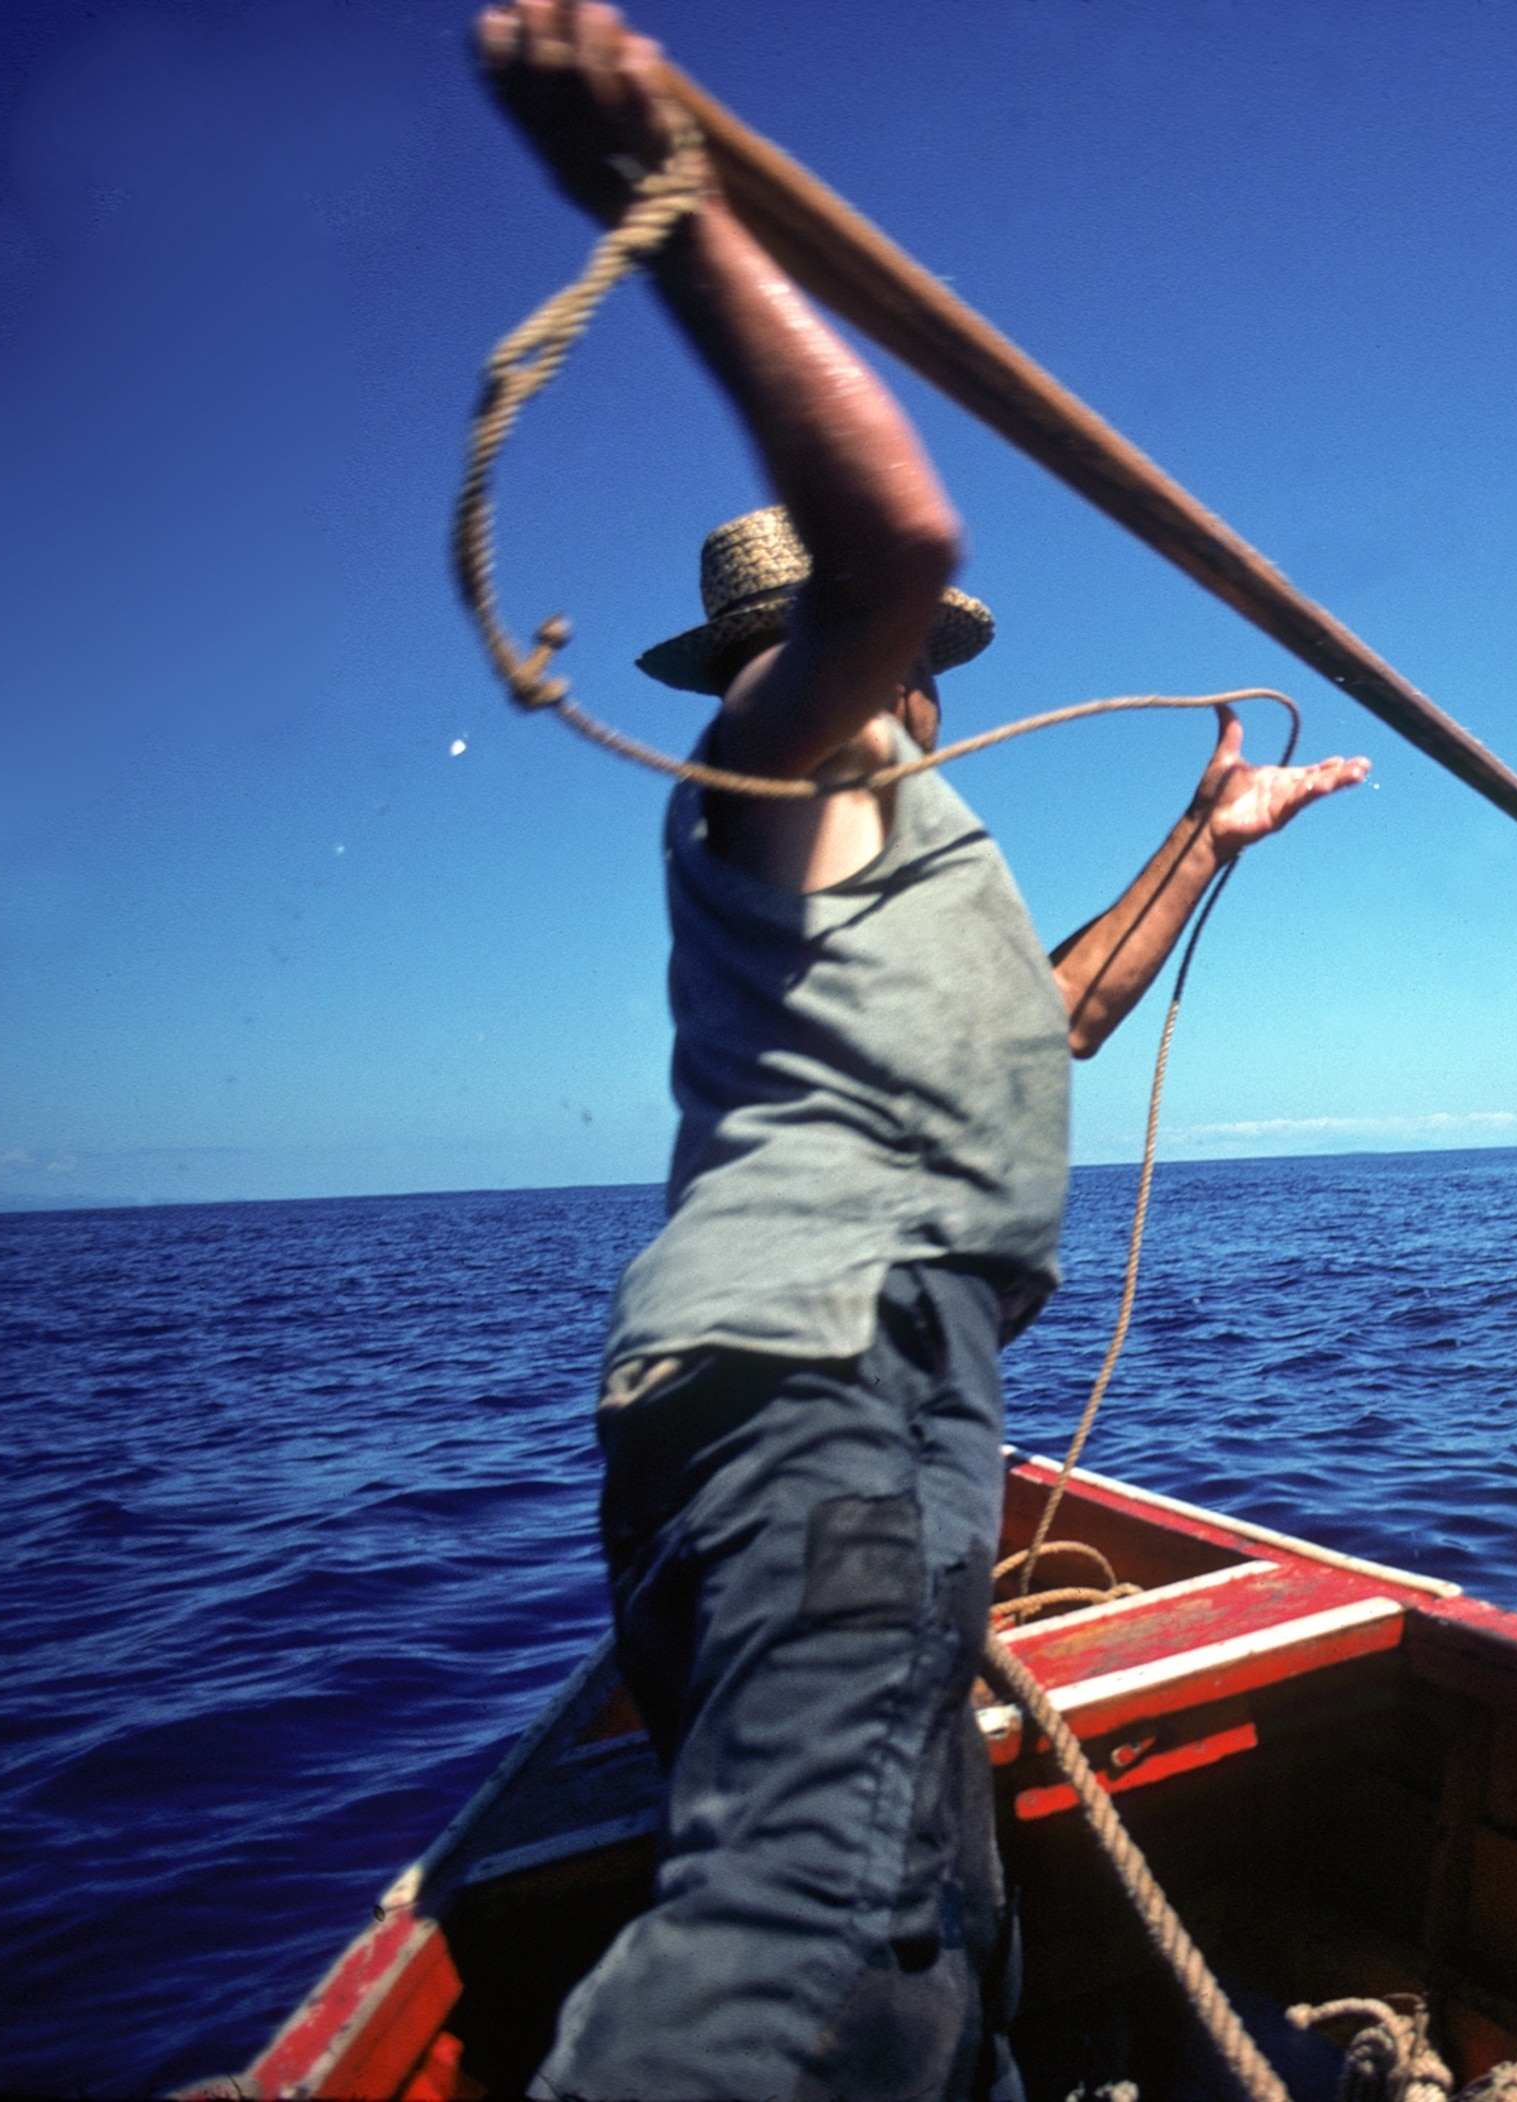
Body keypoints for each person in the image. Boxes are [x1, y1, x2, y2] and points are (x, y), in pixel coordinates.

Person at [474, 6, 1370, 2096]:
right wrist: (668, 206)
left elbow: (1049, 1024)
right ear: (762, 664)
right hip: (819, 1390)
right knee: (817, 1931)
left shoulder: (902, 859)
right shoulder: (762, 769)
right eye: (817, 638)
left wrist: (1204, 845)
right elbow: (900, 541)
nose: (864, 668)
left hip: (891, 1401)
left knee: (939, 1930)